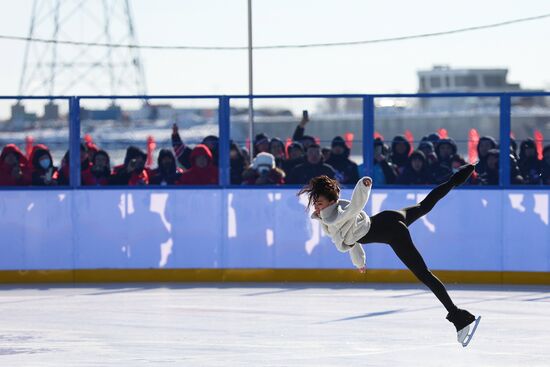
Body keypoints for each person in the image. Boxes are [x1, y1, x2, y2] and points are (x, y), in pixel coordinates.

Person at [300, 164, 481, 346]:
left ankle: (458, 316)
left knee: (423, 274)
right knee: (424, 205)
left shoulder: (336, 217)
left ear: (331, 202)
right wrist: (360, 263)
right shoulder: (334, 219)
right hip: (389, 218)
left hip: (392, 231)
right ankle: (460, 175)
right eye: (315, 202)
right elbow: (350, 240)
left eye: (319, 203)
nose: (316, 206)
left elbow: (354, 209)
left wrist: (363, 185)